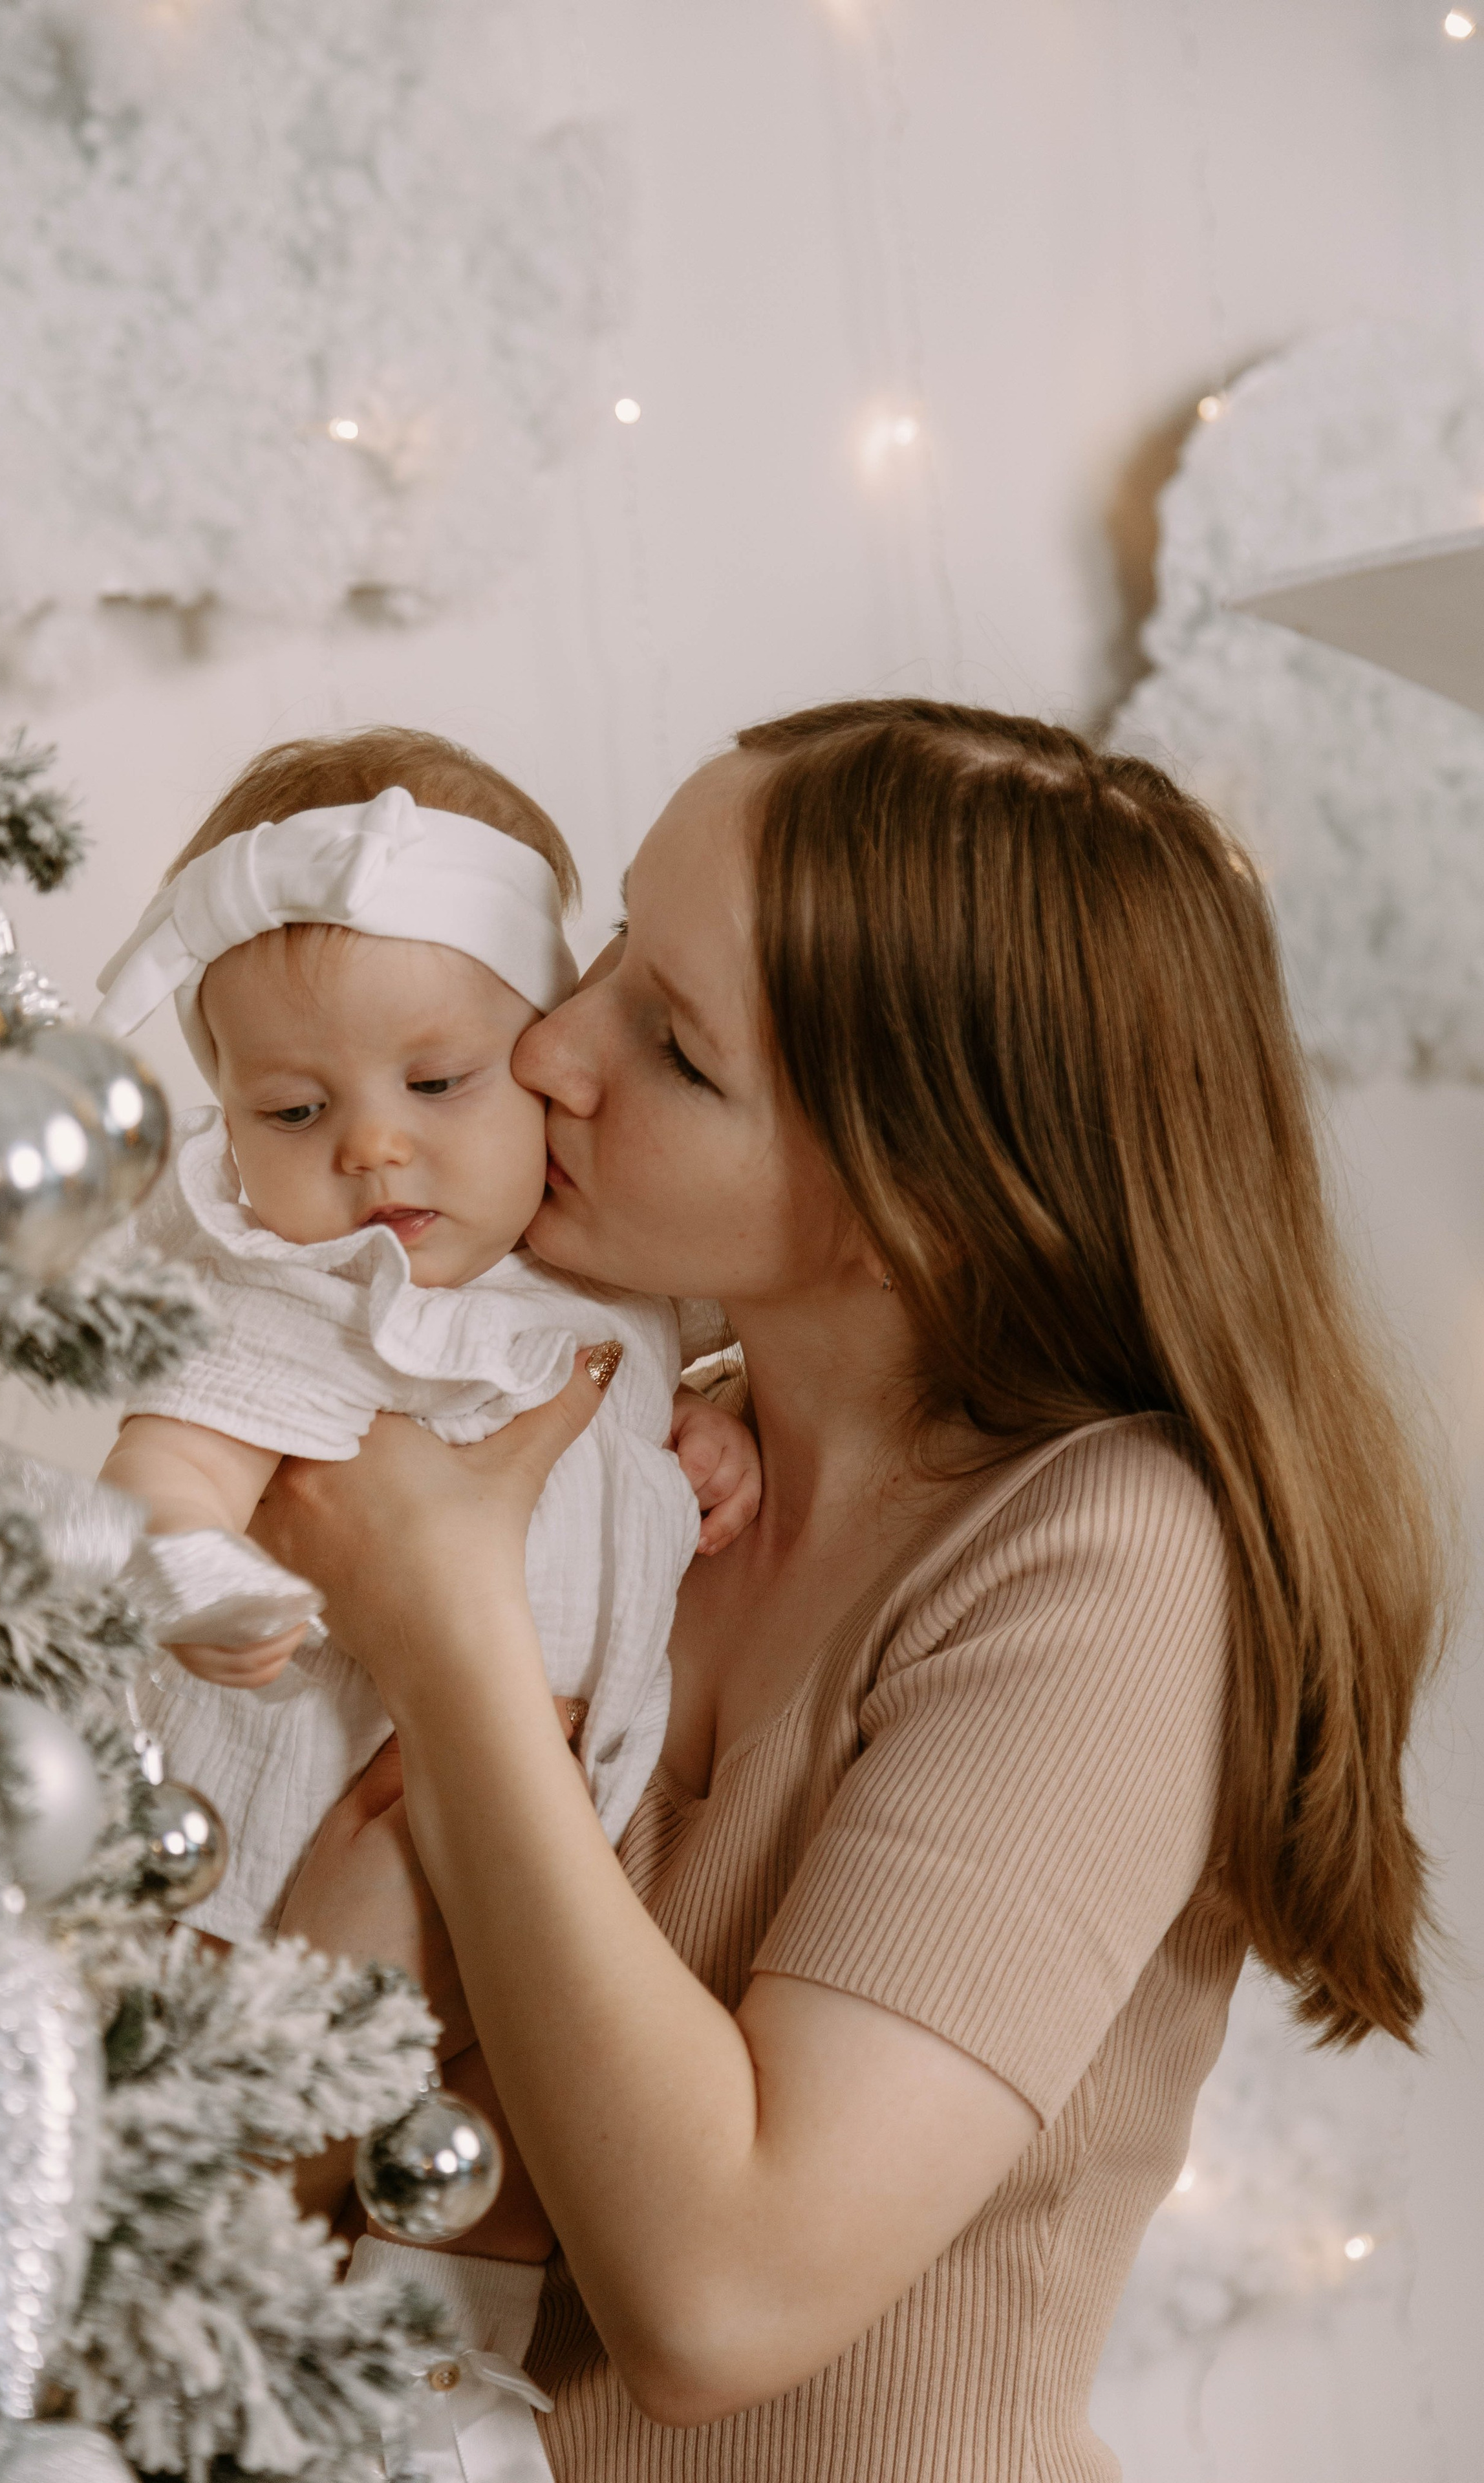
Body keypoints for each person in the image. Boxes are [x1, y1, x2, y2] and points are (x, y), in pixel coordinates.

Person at [257, 700, 1444, 2482]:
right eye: (603, 959)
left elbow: (720, 2301)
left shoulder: (1107, 1554)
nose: (551, 1051)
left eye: (675, 1046)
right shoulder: (603, 1470)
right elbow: (252, 2174)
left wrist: (451, 1652)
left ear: (926, 1198)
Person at [91, 729, 760, 1943]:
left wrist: (693, 1435)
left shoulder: (620, 1270)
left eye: (438, 1084)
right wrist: (196, 1571)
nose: (372, 1147)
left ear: (541, 1053)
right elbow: (165, 1464)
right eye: (294, 1111)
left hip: (550, 1823)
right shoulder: (300, 1286)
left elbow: (629, 1409)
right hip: (281, 1844)